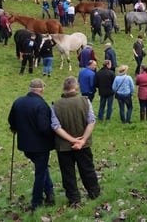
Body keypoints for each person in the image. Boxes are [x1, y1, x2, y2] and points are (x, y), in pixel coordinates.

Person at [50, 76, 101, 207]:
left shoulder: (56, 105)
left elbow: (56, 126)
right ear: (76, 87)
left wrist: (72, 140)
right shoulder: (85, 101)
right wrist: (82, 140)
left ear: (64, 88)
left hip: (64, 146)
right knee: (87, 169)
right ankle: (94, 193)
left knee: (68, 173)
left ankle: (73, 198)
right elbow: (91, 121)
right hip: (83, 145)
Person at [8, 78, 55, 210]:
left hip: (25, 145)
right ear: (41, 90)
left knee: (42, 168)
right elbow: (44, 127)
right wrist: (53, 138)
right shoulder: (41, 105)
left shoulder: (18, 102)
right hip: (40, 146)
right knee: (40, 173)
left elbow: (11, 120)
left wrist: (15, 128)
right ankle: (37, 202)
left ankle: (50, 193)